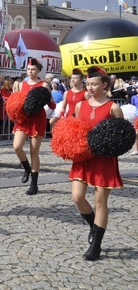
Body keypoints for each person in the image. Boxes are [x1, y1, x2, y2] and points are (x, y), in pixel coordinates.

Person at [69, 66, 124, 261]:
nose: (90, 87)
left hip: (104, 159)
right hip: (83, 158)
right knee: (77, 197)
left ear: (105, 85)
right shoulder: (79, 106)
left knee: (100, 202)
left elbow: (122, 135)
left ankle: (96, 245)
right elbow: (75, 130)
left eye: (94, 84)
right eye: (88, 84)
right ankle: (93, 225)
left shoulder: (113, 108)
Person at [13, 57, 55, 195]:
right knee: (17, 146)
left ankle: (34, 184)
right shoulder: (21, 84)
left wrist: (46, 98)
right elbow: (18, 100)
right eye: (28, 69)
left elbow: (52, 105)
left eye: (33, 69)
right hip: (24, 118)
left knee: (34, 152)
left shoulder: (43, 85)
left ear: (38, 71)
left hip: (37, 118)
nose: (30, 72)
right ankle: (26, 168)